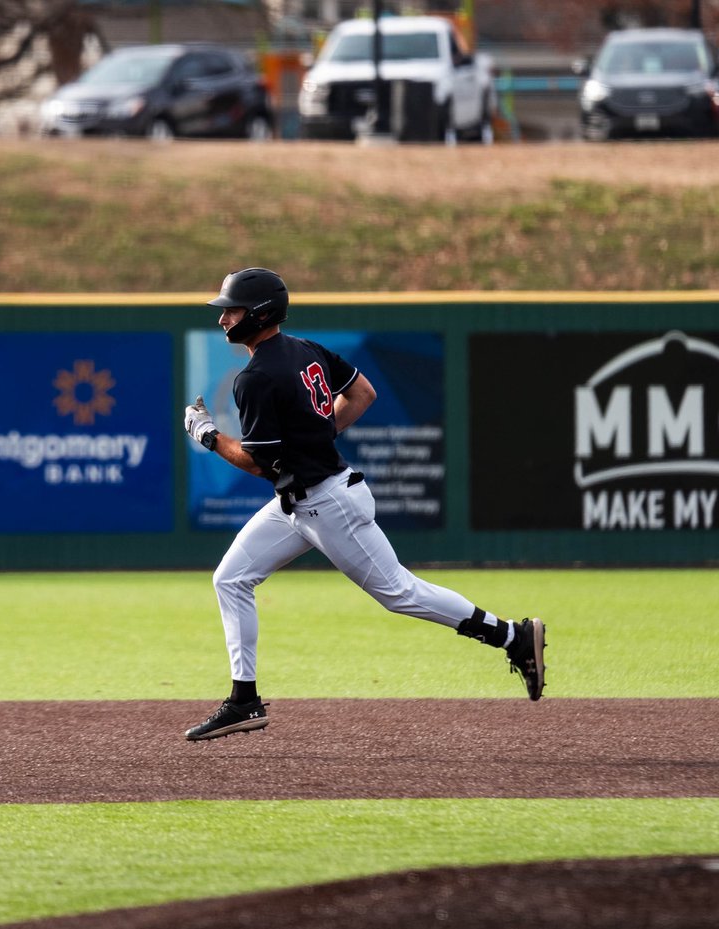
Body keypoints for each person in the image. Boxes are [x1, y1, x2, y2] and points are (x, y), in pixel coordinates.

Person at [182, 267, 547, 742]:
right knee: (230, 578)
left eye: (231, 310)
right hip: (299, 502)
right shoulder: (305, 350)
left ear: (259, 314)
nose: (223, 319)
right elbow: (362, 394)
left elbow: (256, 463)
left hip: (327, 503)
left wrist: (207, 435)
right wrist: (317, 435)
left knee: (400, 592)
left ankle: (512, 637)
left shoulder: (255, 377)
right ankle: (244, 699)